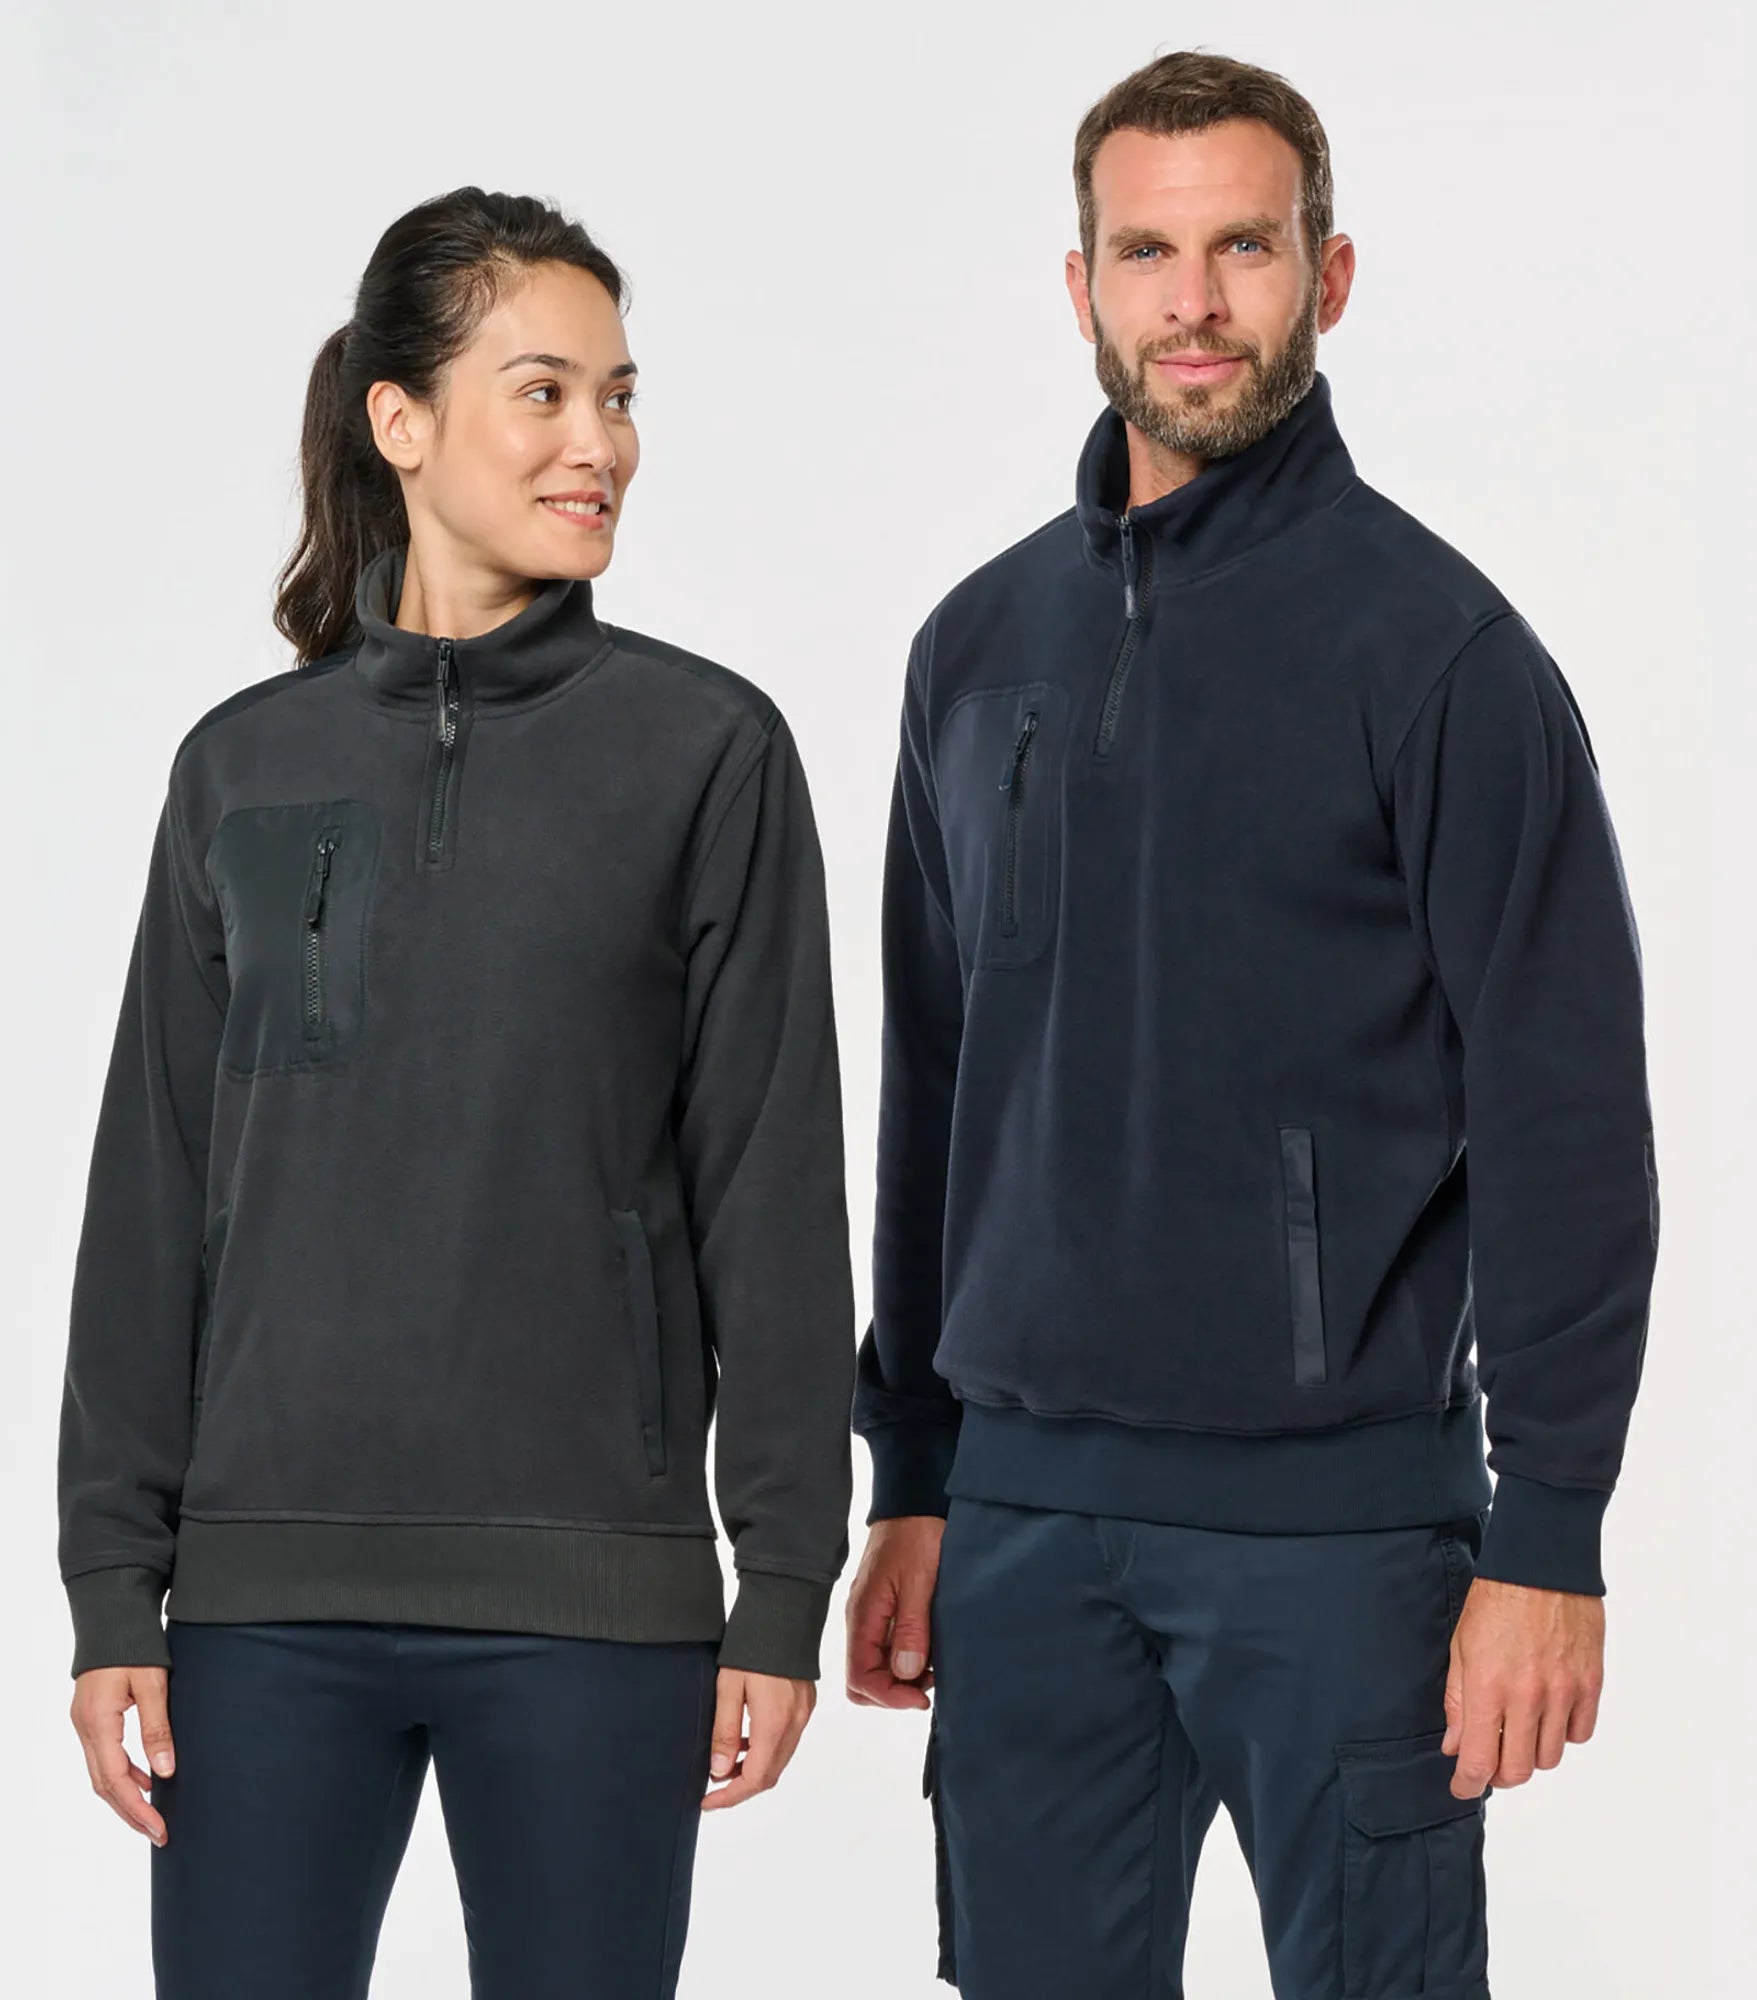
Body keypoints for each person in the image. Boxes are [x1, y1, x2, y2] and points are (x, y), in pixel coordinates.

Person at [847, 49, 1659, 2000]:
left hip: (1340, 1536)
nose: (1194, 301)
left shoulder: (1441, 656)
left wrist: (1548, 1532)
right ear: (1081, 285)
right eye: (1148, 252)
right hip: (1024, 1525)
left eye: (1245, 248)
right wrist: (919, 1473)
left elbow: (1562, 1113)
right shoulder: (974, 650)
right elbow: (938, 1091)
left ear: (1330, 275)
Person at [57, 185, 855, 1999]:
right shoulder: (242, 769)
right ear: (400, 421)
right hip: (259, 1609)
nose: (602, 446)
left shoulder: (705, 753)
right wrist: (114, 1586)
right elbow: (153, 1193)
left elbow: (770, 1189)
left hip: (595, 1606)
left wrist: (781, 1580)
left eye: (620, 398)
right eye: (544, 393)